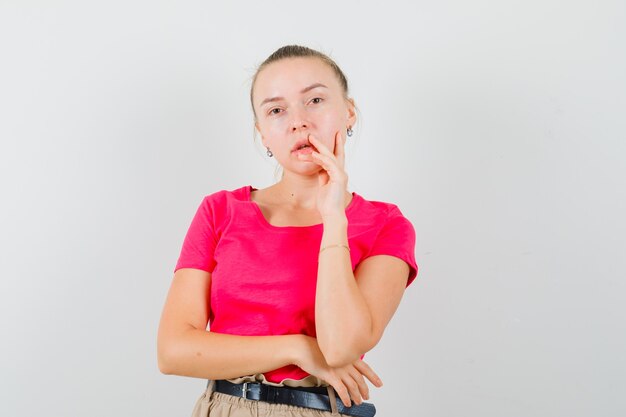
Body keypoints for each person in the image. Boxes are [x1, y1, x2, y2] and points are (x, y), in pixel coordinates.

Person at [157, 45, 418, 417]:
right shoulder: (221, 211)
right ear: (262, 133)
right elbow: (173, 351)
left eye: (314, 100)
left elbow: (341, 348)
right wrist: (297, 348)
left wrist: (333, 218)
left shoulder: (386, 225)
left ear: (348, 113)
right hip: (225, 408)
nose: (298, 121)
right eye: (277, 110)